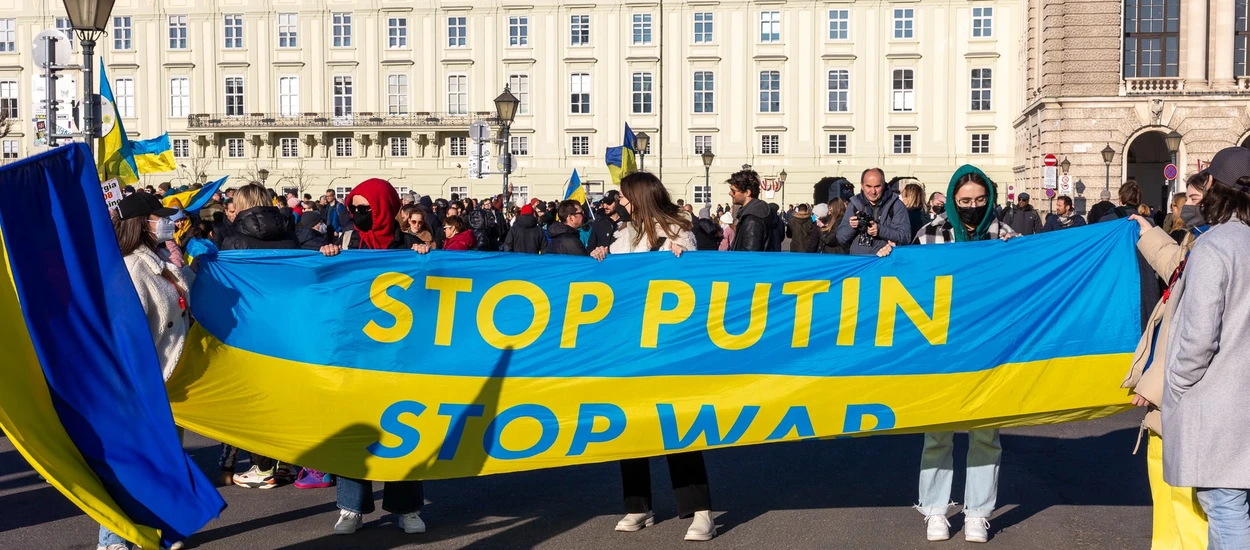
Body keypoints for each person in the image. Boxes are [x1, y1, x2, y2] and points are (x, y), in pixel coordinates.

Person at [880, 165, 1017, 544]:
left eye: (979, 199)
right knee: (937, 432)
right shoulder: (931, 234)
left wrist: (1017, 256)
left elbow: (1026, 282)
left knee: (986, 434)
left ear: (988, 198)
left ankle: (978, 512)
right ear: (954, 201)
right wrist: (893, 256)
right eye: (965, 201)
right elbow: (910, 280)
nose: (973, 207)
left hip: (990, 347)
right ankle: (936, 509)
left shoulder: (1006, 236)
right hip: (942, 347)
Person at [606, 172, 715, 542]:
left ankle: (701, 510)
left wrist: (683, 263)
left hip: (669, 346)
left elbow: (692, 287)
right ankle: (638, 506)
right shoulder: (623, 236)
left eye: (624, 197)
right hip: (628, 346)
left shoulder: (678, 232)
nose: (619, 202)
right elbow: (610, 285)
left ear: (638, 197)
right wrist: (599, 259)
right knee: (630, 424)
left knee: (677, 425)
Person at [317, 179, 428, 535]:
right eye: (355, 208)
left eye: (367, 208)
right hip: (356, 353)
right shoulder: (346, 243)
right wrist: (327, 257)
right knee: (354, 429)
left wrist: (429, 260)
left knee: (404, 430)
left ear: (386, 207)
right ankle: (351, 507)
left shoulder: (412, 246)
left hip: (400, 355)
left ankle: (407, 507)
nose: (359, 215)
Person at [1162, 146, 1250, 548]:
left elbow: (1199, 338)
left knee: (1224, 503)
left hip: (1220, 398)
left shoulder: (1216, 246)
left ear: (1213, 184)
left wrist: (1176, 384)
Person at [1122, 172, 1211, 550]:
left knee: (1191, 498)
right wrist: (1147, 231)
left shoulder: (1220, 247)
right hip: (1172, 396)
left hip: (1189, 395)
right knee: (1165, 484)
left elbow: (1197, 333)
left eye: (1195, 197)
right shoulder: (1201, 240)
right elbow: (1176, 264)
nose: (1187, 204)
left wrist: (1156, 382)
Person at [101, 192, 190, 550]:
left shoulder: (157, 259)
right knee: (135, 466)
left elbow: (180, 304)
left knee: (164, 463)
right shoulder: (133, 267)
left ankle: (159, 531)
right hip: (143, 383)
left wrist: (186, 270)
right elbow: (126, 333)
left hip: (172, 379)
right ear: (143, 223)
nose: (168, 222)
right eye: (159, 216)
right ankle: (113, 539)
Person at [836, 168, 912, 255]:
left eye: (877, 186)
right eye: (868, 186)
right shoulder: (854, 204)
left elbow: (906, 237)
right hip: (859, 262)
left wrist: (880, 230)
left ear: (883, 185)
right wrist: (851, 227)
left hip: (885, 261)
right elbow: (841, 239)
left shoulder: (896, 205)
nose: (873, 192)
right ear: (862, 186)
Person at [727, 169, 771, 251]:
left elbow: (749, 255)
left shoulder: (752, 220)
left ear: (747, 193)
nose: (730, 193)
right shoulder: (752, 213)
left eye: (733, 191)